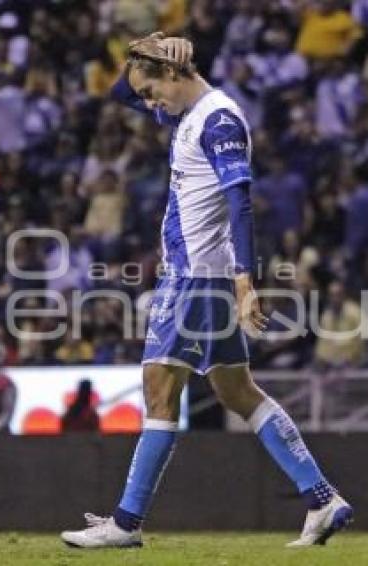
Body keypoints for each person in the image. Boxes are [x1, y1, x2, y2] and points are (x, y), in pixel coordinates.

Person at [61, 33, 352, 549]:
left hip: (198, 276)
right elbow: (118, 96)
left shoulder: (218, 122)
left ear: (174, 75)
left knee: (158, 385)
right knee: (236, 391)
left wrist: (245, 281)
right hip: (199, 272)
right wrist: (139, 53)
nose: (149, 104)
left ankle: (126, 525)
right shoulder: (185, 113)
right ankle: (322, 498)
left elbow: (240, 201)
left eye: (154, 91)